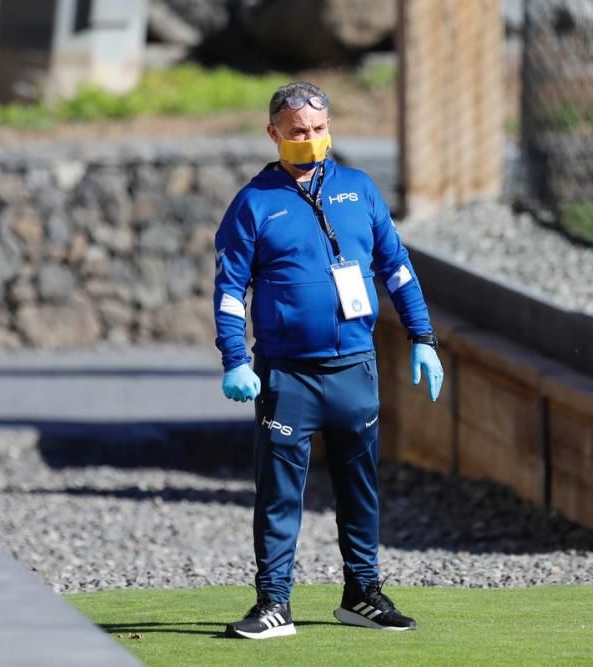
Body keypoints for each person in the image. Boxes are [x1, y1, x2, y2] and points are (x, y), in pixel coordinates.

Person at [214, 81, 444, 639]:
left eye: (318, 130)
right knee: (280, 491)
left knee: (359, 484)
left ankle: (362, 593)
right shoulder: (254, 203)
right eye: (298, 133)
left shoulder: (359, 189)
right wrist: (235, 359)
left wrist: (423, 338)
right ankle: (273, 603)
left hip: (354, 369)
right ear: (274, 134)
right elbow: (228, 290)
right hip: (287, 373)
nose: (311, 141)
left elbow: (397, 268)